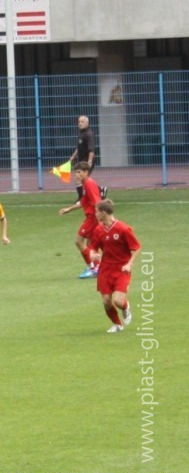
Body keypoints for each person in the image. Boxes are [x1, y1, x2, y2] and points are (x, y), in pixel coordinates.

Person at [88, 199, 141, 334]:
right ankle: (117, 325)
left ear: (103, 213)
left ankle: (125, 307)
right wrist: (92, 254)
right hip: (105, 269)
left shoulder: (123, 229)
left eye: (97, 212)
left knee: (117, 300)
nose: (95, 214)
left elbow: (136, 248)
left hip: (121, 269)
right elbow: (93, 247)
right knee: (106, 301)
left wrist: (129, 264)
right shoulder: (99, 230)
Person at [58, 161, 102, 279]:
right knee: (90, 245)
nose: (76, 175)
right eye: (76, 172)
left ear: (86, 172)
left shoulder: (88, 183)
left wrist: (100, 220)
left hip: (92, 218)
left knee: (79, 241)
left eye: (79, 172)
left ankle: (92, 268)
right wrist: (69, 209)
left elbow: (96, 202)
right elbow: (83, 201)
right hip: (93, 217)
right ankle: (97, 268)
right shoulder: (86, 183)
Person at [67, 115, 107, 201]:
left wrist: (89, 161)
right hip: (81, 160)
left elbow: (91, 150)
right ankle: (100, 190)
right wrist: (73, 157)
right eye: (79, 122)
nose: (80, 123)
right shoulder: (81, 133)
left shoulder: (89, 134)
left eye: (82, 122)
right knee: (83, 179)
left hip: (87, 160)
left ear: (87, 123)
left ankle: (81, 197)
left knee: (78, 178)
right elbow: (79, 147)